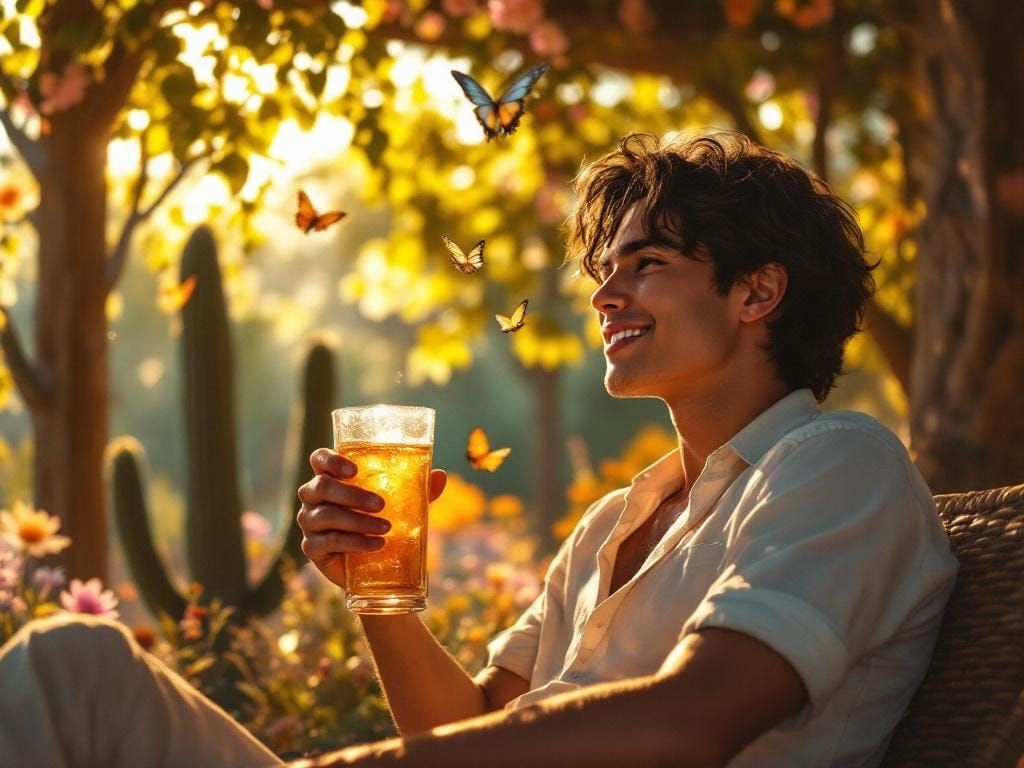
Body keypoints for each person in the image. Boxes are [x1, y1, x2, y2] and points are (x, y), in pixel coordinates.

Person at [0, 132, 958, 768]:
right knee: (74, 665)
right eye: (605, 269)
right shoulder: (614, 523)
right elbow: (466, 737)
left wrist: (371, 765)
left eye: (648, 265)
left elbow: (690, 721)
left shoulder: (837, 465)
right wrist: (375, 591)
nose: (605, 295)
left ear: (758, 294)